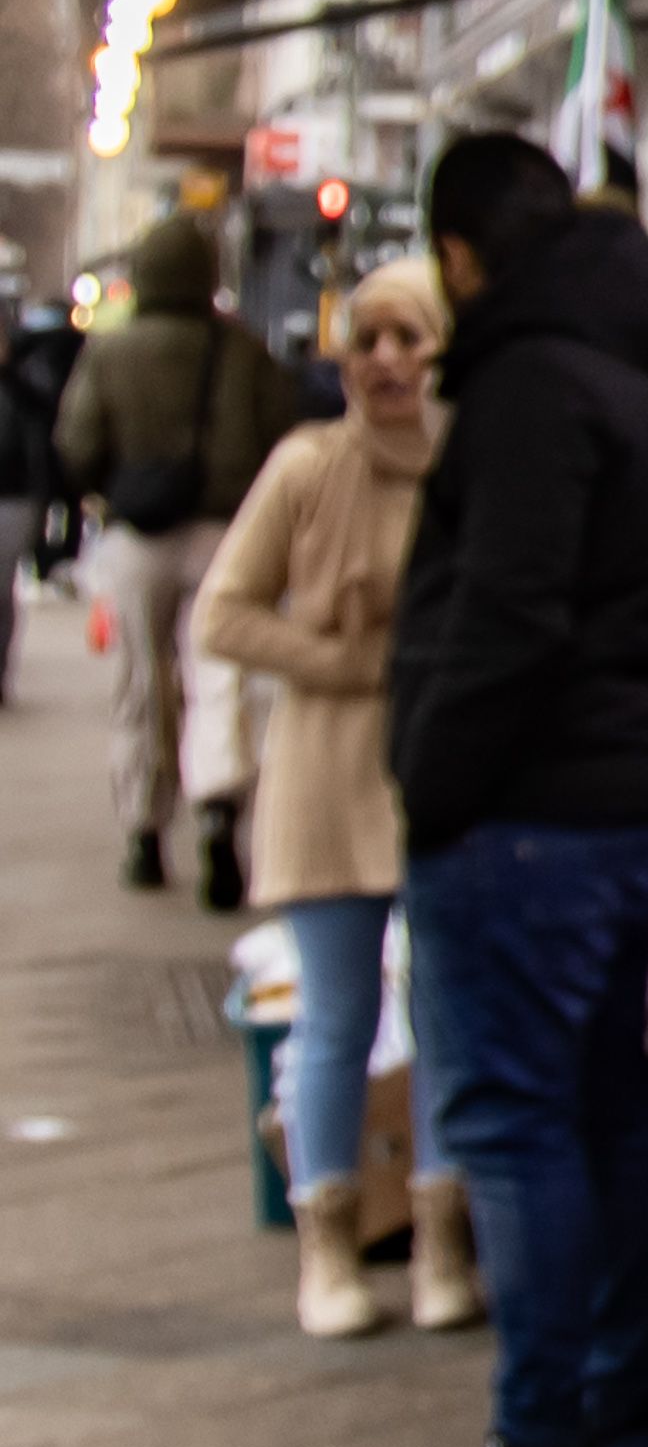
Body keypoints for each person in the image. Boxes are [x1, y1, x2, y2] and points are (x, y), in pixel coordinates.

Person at [373, 136, 648, 1447]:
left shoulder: (531, 380)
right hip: (626, 784)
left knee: (517, 1120)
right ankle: (621, 1408)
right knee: (605, 1104)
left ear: (462, 255)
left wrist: (433, 777)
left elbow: (509, 609)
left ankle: (544, 1440)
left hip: (526, 804)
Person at [196, 258, 474, 1340]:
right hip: (323, 765)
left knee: (448, 1012)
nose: (388, 360)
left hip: (435, 768)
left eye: (412, 339)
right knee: (335, 1014)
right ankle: (331, 1243)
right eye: (369, 339)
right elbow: (225, 612)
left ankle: (443, 1241)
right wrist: (340, 660)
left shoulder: (467, 470)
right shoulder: (306, 466)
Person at [54, 215, 301, 902]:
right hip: (225, 535)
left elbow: (77, 443)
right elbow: (284, 436)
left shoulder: (111, 352)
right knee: (221, 678)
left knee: (141, 682)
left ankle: (143, 829)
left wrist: (114, 489)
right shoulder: (244, 351)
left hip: (137, 538)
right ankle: (218, 817)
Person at [0, 298, 77, 702]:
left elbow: (45, 427)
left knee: (1, 586)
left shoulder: (26, 382)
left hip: (14, 494)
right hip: (20, 494)